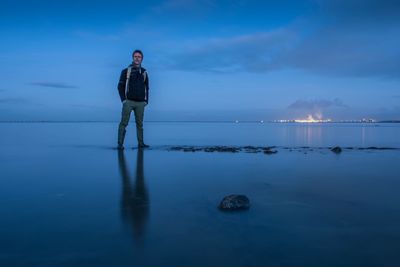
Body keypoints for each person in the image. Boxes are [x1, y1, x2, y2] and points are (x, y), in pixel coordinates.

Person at [117, 49, 150, 149]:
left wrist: (146, 101)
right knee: (124, 122)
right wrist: (124, 100)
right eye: (135, 56)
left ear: (142, 59)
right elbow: (120, 87)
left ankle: (141, 144)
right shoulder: (125, 71)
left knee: (140, 124)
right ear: (132, 58)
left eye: (139, 57)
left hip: (140, 103)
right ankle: (120, 144)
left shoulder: (144, 72)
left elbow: (147, 88)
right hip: (128, 102)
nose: (137, 58)